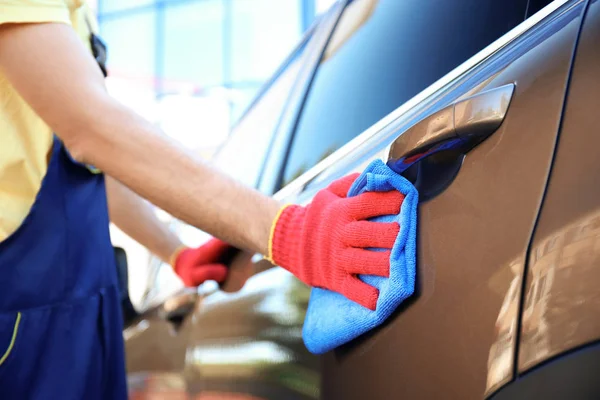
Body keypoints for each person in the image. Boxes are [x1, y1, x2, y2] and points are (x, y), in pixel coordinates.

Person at [0, 1, 404, 398]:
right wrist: (286, 230)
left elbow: (87, 164)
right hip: (19, 308)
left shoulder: (76, 13)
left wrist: (177, 253)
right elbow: (89, 128)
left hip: (74, 304)